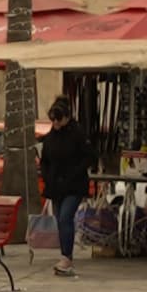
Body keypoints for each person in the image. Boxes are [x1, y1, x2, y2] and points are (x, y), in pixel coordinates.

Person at [39, 93, 95, 265]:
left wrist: (74, 173)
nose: (56, 123)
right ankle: (64, 252)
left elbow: (89, 156)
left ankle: (66, 256)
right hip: (55, 185)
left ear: (66, 117)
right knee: (60, 220)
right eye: (53, 120)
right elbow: (45, 159)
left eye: (59, 119)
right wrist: (47, 176)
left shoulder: (77, 133)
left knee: (65, 217)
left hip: (73, 184)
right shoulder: (51, 137)